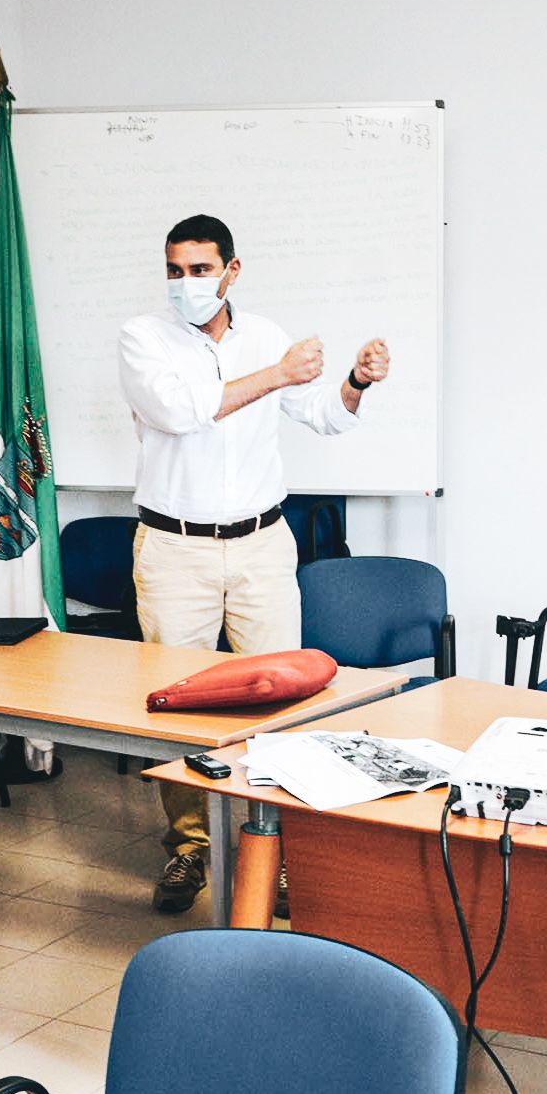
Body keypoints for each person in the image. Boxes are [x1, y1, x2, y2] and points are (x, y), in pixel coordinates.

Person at [118, 212, 388, 913]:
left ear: (231, 271)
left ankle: (278, 849)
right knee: (179, 705)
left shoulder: (265, 334)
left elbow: (323, 415)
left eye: (200, 270)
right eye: (175, 270)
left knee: (281, 701)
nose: (186, 284)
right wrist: (275, 373)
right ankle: (191, 848)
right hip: (175, 547)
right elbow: (182, 412)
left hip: (263, 543)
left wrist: (356, 382)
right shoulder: (142, 337)